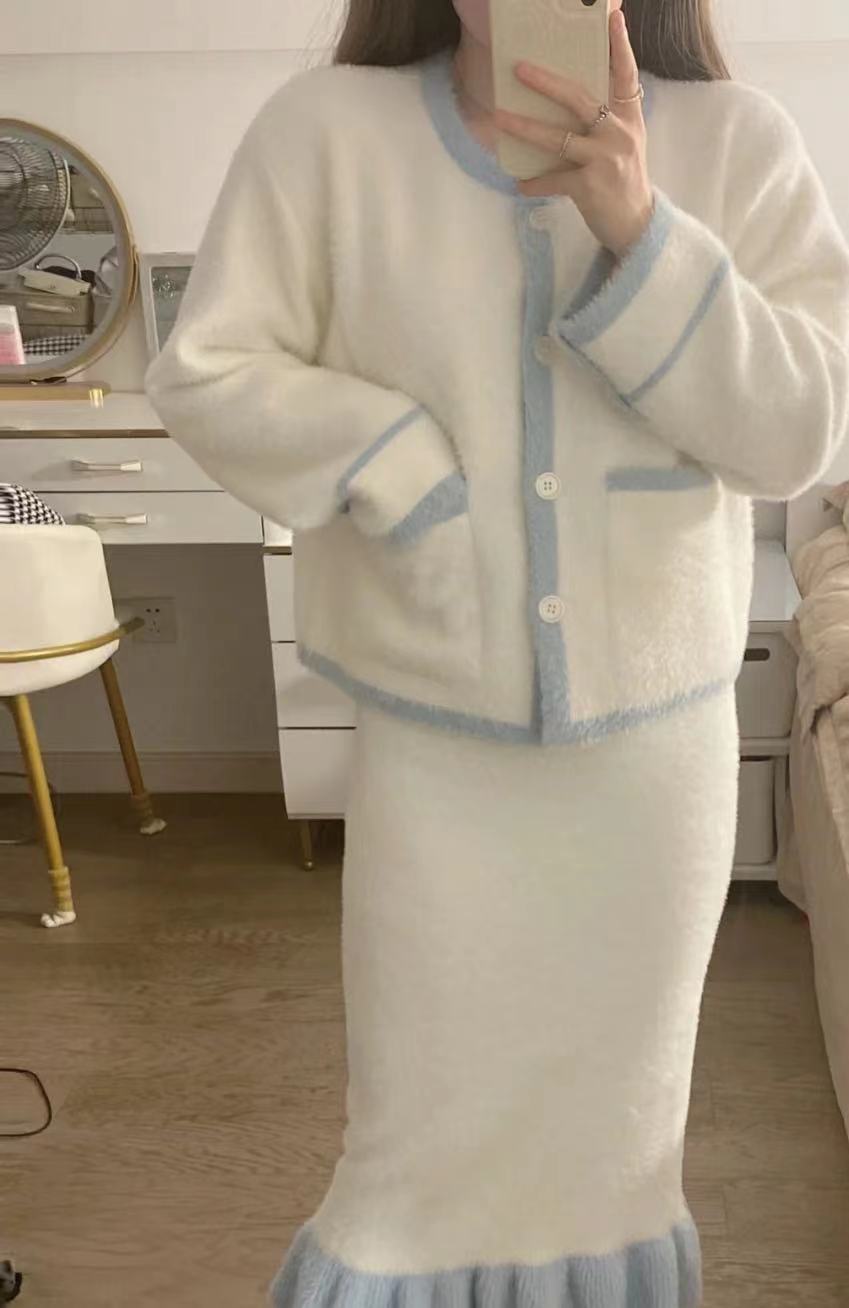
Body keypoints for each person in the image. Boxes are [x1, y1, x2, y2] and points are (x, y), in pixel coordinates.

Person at [145, 0, 849, 1303]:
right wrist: (397, 468)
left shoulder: (736, 141)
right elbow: (208, 368)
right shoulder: (326, 134)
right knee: (406, 1153)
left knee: (614, 1150)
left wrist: (641, 231)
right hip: (437, 746)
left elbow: (799, 430)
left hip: (651, 766)